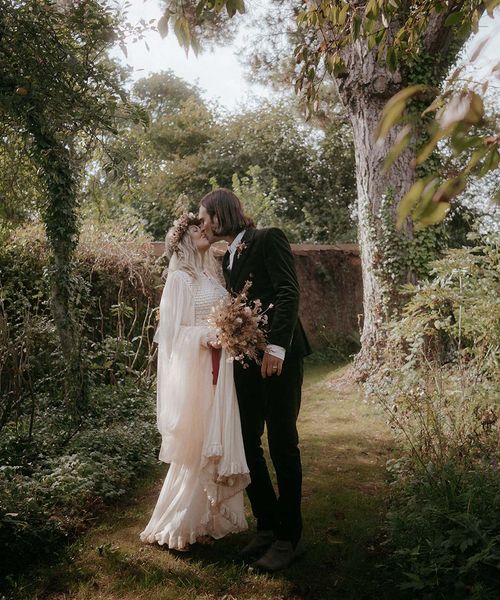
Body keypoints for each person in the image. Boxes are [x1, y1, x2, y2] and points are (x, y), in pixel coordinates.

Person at [199, 189, 311, 572]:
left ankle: (289, 538)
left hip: (280, 359)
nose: (202, 224)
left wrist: (277, 347)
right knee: (246, 444)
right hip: (245, 363)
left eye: (204, 217)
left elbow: (287, 291)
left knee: (283, 445)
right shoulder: (227, 258)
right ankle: (267, 524)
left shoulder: (268, 238)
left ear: (219, 215)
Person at [140, 213, 250, 551]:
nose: (202, 229)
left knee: (214, 440)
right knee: (198, 443)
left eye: (202, 224)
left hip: (222, 369)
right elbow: (173, 336)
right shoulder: (180, 279)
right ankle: (180, 521)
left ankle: (208, 521)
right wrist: (208, 335)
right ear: (181, 240)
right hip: (199, 370)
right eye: (193, 227)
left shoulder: (212, 274)